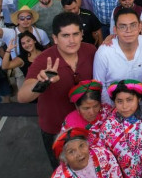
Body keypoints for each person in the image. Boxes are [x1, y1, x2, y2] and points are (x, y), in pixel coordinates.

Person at [18, 13, 97, 168]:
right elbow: (22, 96)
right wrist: (42, 83)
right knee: (62, 170)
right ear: (55, 38)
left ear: (82, 34)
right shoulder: (44, 60)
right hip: (56, 129)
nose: (72, 40)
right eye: (65, 35)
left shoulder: (91, 51)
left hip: (85, 125)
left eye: (75, 34)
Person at [93, 9, 142, 105]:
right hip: (113, 108)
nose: (129, 31)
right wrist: (112, 110)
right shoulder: (104, 52)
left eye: (133, 25)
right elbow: (99, 85)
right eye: (123, 26)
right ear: (115, 30)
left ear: (140, 26)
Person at [48, 128, 125, 178]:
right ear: (64, 158)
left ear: (87, 145)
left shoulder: (103, 154)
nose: (79, 154)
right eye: (71, 151)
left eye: (81, 146)